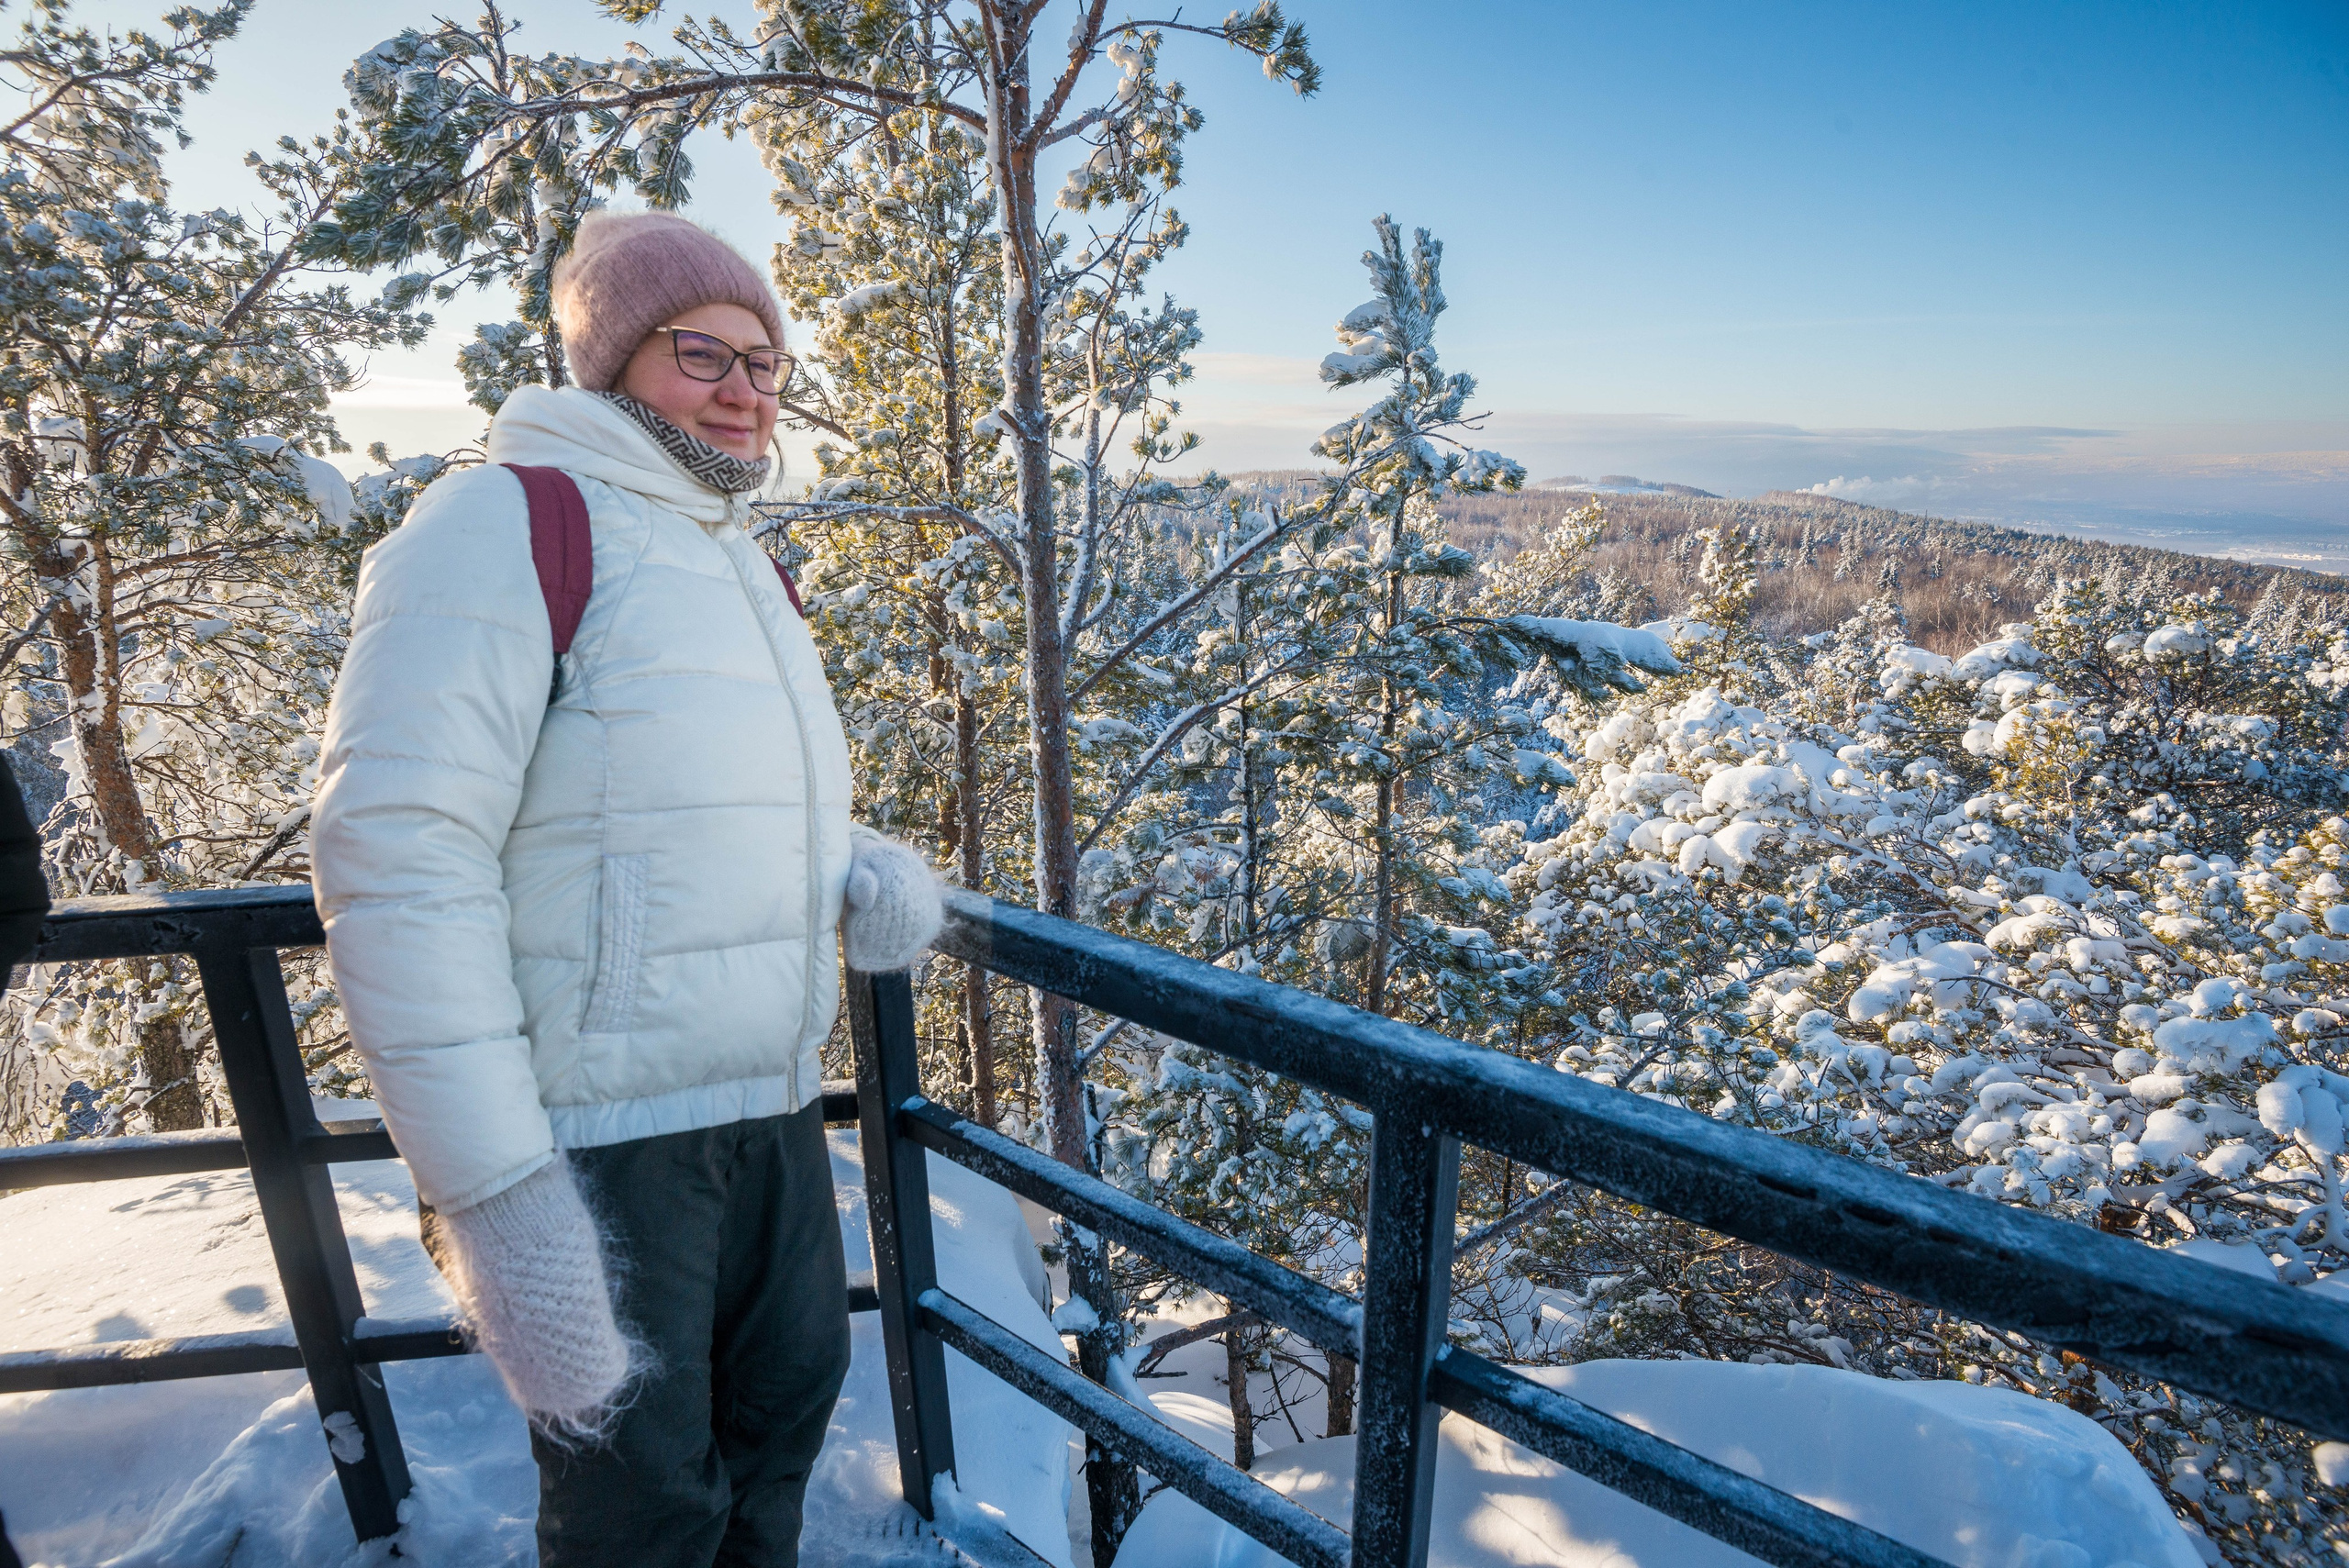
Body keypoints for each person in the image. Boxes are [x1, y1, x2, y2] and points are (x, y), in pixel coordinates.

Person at [310, 210, 941, 1568]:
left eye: (765, 365)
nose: (742, 390)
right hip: (605, 1142)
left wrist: (847, 860)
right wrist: (500, 1192)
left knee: (776, 1437)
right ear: (609, 360)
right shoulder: (504, 522)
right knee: (638, 1515)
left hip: (769, 1109)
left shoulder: (736, 556)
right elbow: (397, 855)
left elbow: (664, 795)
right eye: (701, 351)